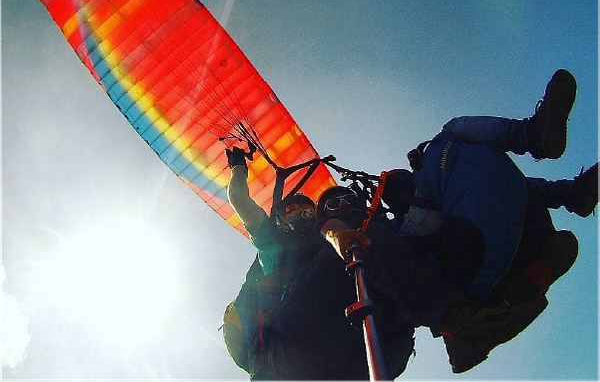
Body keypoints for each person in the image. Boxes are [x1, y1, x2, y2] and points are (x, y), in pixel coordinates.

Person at [319, 69, 599, 373]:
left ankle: (563, 194)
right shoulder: (381, 230)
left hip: (495, 238)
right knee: (453, 137)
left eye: (345, 198)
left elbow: (493, 185)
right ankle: (541, 152)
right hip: (469, 267)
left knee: (490, 176)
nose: (342, 205)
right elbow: (399, 264)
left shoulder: (430, 194)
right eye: (332, 204)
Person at [223, 148, 416, 380]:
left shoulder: (344, 229)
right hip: (295, 344)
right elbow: (239, 199)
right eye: (289, 210)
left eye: (303, 207)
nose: (296, 211)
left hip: (357, 338)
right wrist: (237, 166)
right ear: (282, 220)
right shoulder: (275, 243)